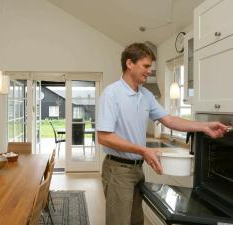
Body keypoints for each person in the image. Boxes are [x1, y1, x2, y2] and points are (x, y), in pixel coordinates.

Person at [96, 43, 228, 225]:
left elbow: (169, 120)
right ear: (129, 63)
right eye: (146, 66)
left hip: (137, 168)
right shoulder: (111, 94)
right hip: (118, 170)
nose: (149, 71)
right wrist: (143, 150)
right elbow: (104, 137)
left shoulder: (145, 95)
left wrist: (204, 126)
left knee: (136, 221)